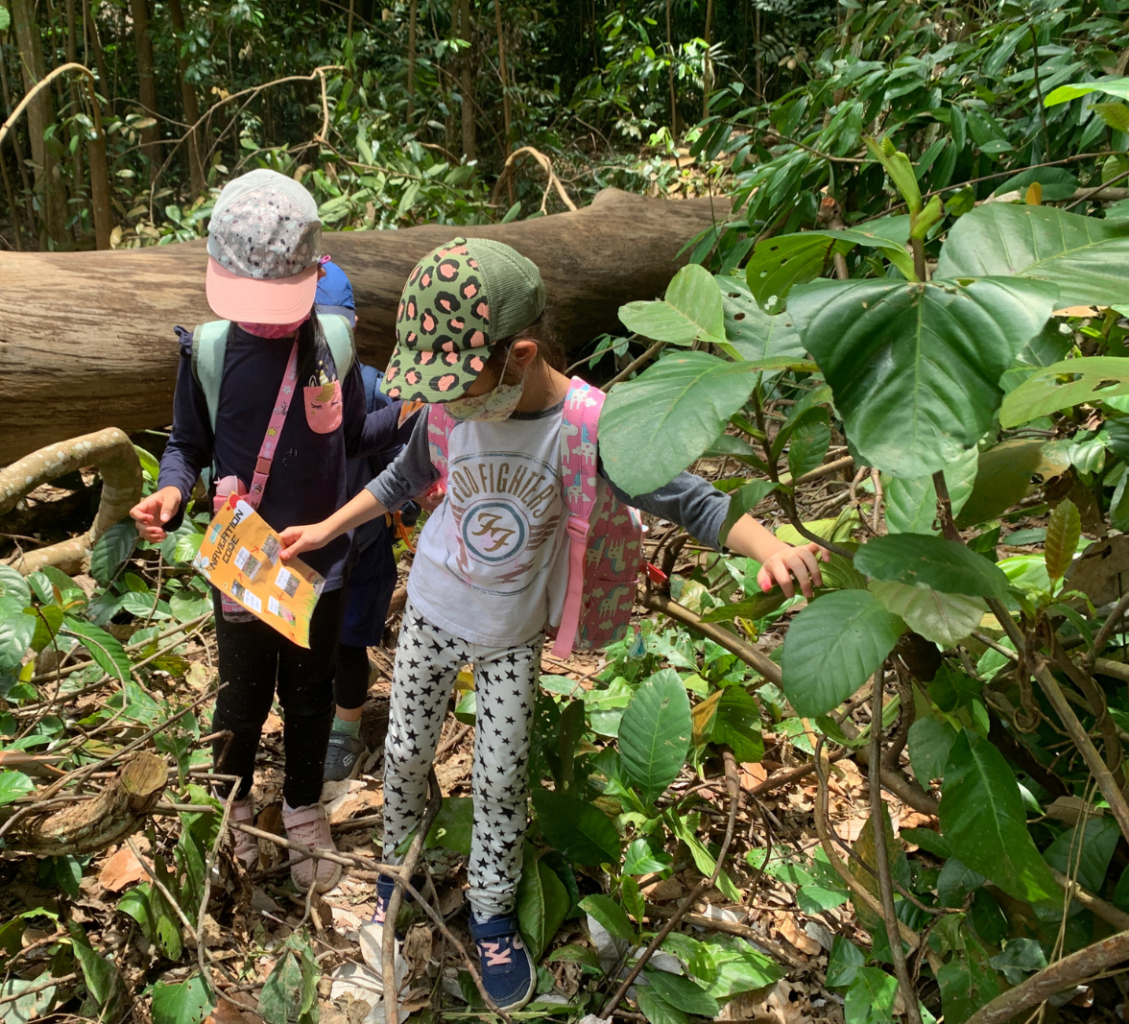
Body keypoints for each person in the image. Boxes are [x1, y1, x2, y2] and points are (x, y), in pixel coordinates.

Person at [277, 237, 827, 1009]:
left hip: (510, 632)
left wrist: (766, 543)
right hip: (435, 607)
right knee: (401, 752)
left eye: (455, 381)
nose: (442, 399)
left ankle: (493, 913)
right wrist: (329, 527)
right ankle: (392, 886)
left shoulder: (588, 426)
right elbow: (407, 477)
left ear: (519, 355)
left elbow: (688, 497)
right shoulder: (447, 411)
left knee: (501, 780)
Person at [129, 170, 405, 894]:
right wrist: (168, 492)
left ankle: (303, 808)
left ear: (315, 279)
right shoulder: (211, 353)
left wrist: (407, 412)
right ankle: (235, 805)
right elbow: (187, 443)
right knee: (242, 695)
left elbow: (350, 439)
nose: (270, 322)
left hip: (322, 563)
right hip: (244, 563)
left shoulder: (334, 348)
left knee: (310, 695)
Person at [312, 261, 416, 782]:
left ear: (351, 327)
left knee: (350, 646)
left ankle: (345, 734)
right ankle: (317, 722)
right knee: (309, 648)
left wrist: (410, 504)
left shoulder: (374, 388)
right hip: (299, 550)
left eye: (336, 329)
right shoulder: (273, 391)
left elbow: (409, 454)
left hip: (362, 548)